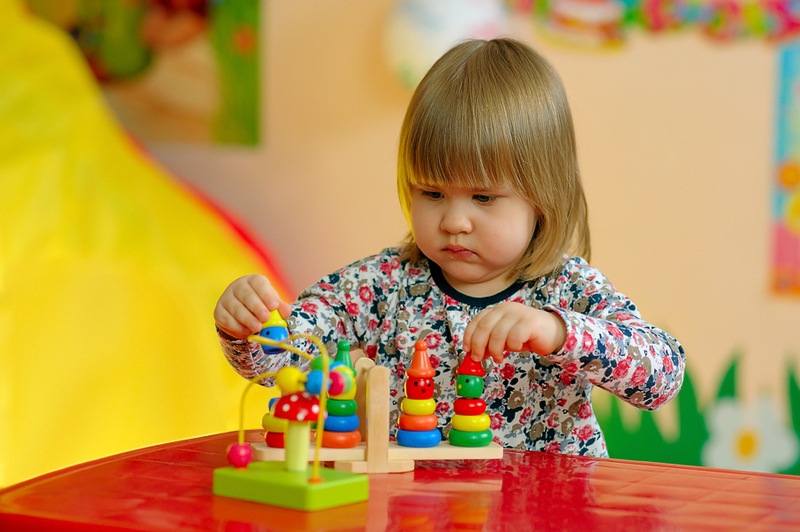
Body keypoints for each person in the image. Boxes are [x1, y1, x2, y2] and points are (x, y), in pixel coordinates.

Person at [214, 38, 685, 457]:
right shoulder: (381, 285)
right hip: (417, 510)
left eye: (484, 197)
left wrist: (559, 332)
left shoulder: (566, 288)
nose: (454, 221)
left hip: (549, 511)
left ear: (542, 197)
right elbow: (285, 361)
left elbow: (662, 376)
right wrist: (247, 326)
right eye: (433, 193)